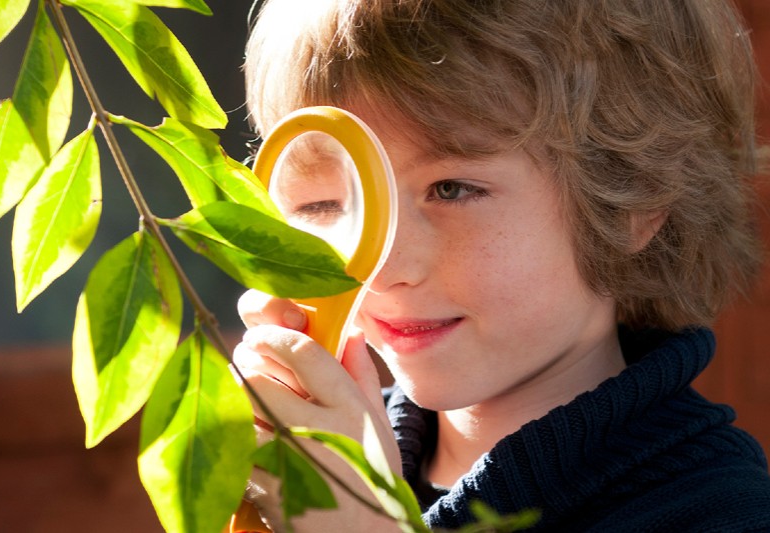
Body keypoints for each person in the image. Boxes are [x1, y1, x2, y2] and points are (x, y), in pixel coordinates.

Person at [232, 0, 770, 531]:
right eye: (325, 203)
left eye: (452, 189)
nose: (383, 267)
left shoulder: (717, 508)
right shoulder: (325, 453)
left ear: (633, 199)